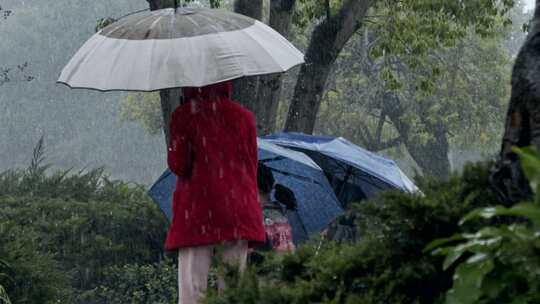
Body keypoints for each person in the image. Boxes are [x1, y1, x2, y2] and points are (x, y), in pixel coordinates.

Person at [165, 81, 265, 304]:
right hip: (239, 212)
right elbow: (252, 167)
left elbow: (179, 165)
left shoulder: (185, 115)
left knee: (193, 290)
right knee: (232, 291)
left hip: (198, 212)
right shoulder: (244, 117)